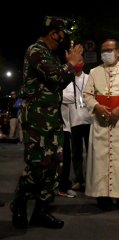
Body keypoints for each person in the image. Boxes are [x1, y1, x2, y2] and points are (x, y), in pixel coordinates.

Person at [11, 16, 84, 229]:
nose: (62, 39)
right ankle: (19, 204)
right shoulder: (36, 50)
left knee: (54, 166)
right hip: (36, 118)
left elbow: (61, 81)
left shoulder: (51, 55)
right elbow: (54, 76)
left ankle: (41, 211)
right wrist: (69, 65)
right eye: (61, 35)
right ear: (53, 33)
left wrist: (71, 68)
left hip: (52, 118)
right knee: (36, 165)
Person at [83, 39, 119, 211]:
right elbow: (87, 95)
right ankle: (103, 197)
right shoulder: (94, 71)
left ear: (117, 52)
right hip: (100, 122)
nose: (106, 53)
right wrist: (96, 107)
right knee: (100, 159)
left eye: (109, 50)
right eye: (103, 50)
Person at [62, 56, 91, 191]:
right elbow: (62, 96)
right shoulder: (67, 80)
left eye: (80, 60)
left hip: (90, 120)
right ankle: (78, 180)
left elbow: (93, 95)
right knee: (76, 153)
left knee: (92, 152)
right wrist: (82, 96)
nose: (78, 63)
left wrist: (80, 96)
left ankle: (91, 180)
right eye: (76, 61)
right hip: (75, 121)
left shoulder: (90, 78)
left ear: (83, 63)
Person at [57, 100, 77, 198]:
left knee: (66, 158)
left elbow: (71, 97)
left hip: (64, 127)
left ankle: (63, 186)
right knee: (53, 158)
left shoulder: (66, 85)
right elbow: (71, 96)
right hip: (52, 125)